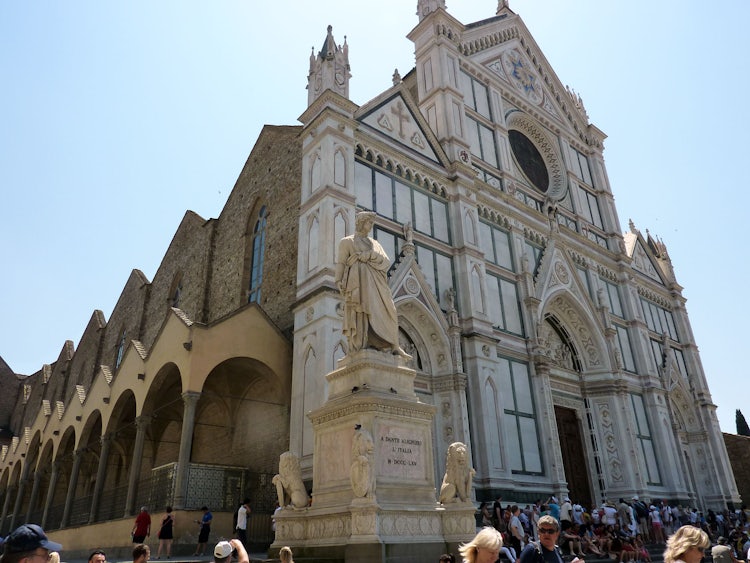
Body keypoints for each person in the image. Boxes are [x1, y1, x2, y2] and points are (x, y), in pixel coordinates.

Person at [334, 211, 405, 356]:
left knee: (390, 309)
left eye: (372, 223)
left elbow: (385, 262)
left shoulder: (375, 244)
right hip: (358, 283)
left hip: (377, 284)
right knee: (360, 311)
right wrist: (338, 280)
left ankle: (392, 344)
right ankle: (362, 343)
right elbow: (341, 263)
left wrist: (368, 255)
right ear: (360, 222)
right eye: (369, 222)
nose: (371, 226)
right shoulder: (347, 242)